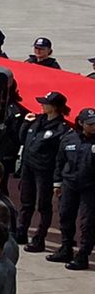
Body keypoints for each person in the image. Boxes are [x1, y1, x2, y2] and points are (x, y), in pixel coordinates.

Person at [18, 94, 70, 252]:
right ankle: (21, 231)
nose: (42, 105)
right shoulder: (37, 120)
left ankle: (39, 238)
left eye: (45, 103)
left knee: (43, 205)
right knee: (26, 202)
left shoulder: (61, 129)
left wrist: (57, 179)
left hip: (45, 171)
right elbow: (22, 139)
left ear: (54, 107)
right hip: (28, 167)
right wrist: (25, 124)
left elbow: (59, 155)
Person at [48, 109, 95, 268]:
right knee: (65, 216)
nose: (93, 127)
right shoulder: (69, 138)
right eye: (90, 124)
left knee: (87, 221)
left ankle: (83, 255)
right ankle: (66, 248)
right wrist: (57, 182)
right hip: (69, 184)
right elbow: (60, 161)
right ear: (81, 123)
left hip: (90, 186)